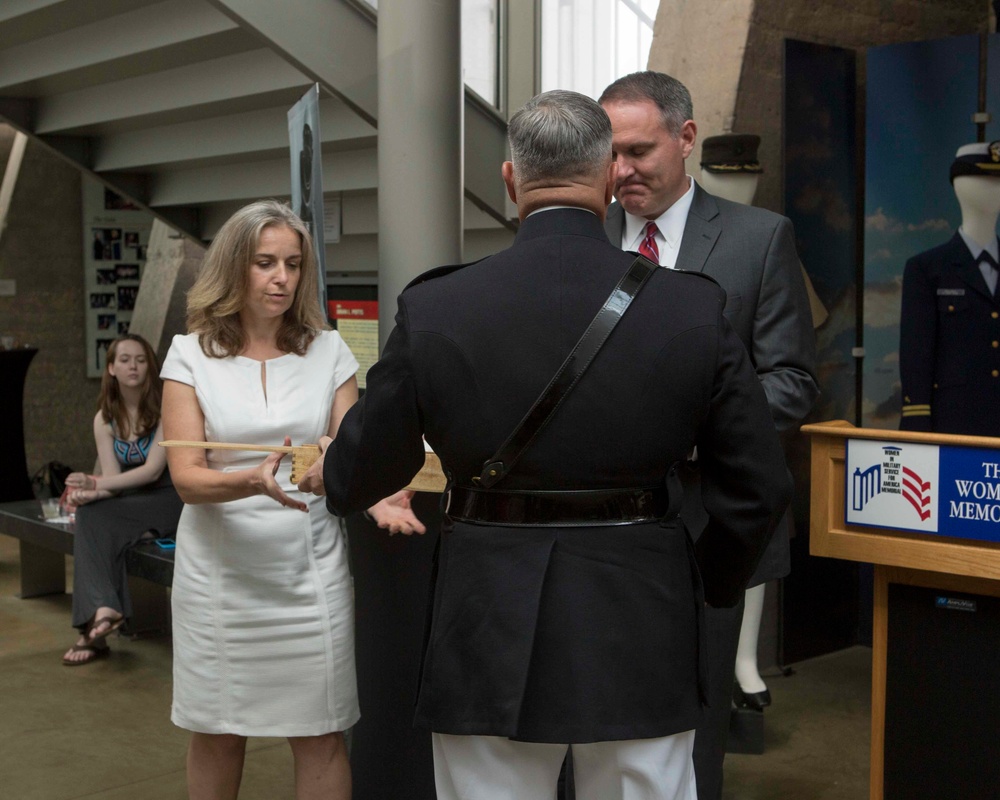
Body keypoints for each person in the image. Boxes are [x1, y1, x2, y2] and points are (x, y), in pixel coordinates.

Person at [300, 89, 792, 800]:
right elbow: (761, 486)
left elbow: (357, 474)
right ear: (605, 178)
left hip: (486, 617)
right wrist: (705, 582)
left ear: (509, 180)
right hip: (643, 614)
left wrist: (334, 464)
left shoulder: (437, 305)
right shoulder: (690, 306)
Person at [599, 71, 818, 800]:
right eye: (610, 152)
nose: (622, 170)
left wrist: (690, 434)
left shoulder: (760, 240)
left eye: (638, 150)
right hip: (593, 533)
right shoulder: (583, 237)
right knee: (597, 719)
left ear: (686, 138)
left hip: (709, 526)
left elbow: (790, 381)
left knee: (694, 731)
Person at [160, 200, 416, 800]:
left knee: (321, 731)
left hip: (310, 575)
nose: (282, 278)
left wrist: (378, 499)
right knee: (217, 731)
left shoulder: (328, 351)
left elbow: (349, 454)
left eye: (294, 264)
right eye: (266, 263)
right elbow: (187, 479)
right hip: (219, 580)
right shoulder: (188, 355)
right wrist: (254, 479)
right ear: (234, 268)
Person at [61, 333, 182, 666]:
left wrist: (96, 481)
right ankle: (103, 612)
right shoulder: (105, 418)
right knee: (90, 515)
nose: (133, 366)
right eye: (125, 360)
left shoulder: (164, 410)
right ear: (111, 368)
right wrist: (91, 493)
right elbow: (116, 482)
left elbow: (151, 472)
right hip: (131, 504)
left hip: (168, 499)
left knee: (98, 524)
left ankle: (94, 628)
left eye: (141, 360)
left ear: (150, 367)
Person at [899, 141, 1000, 436]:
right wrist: (917, 423)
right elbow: (916, 354)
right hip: (954, 424)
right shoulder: (928, 269)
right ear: (960, 187)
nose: (994, 190)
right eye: (984, 181)